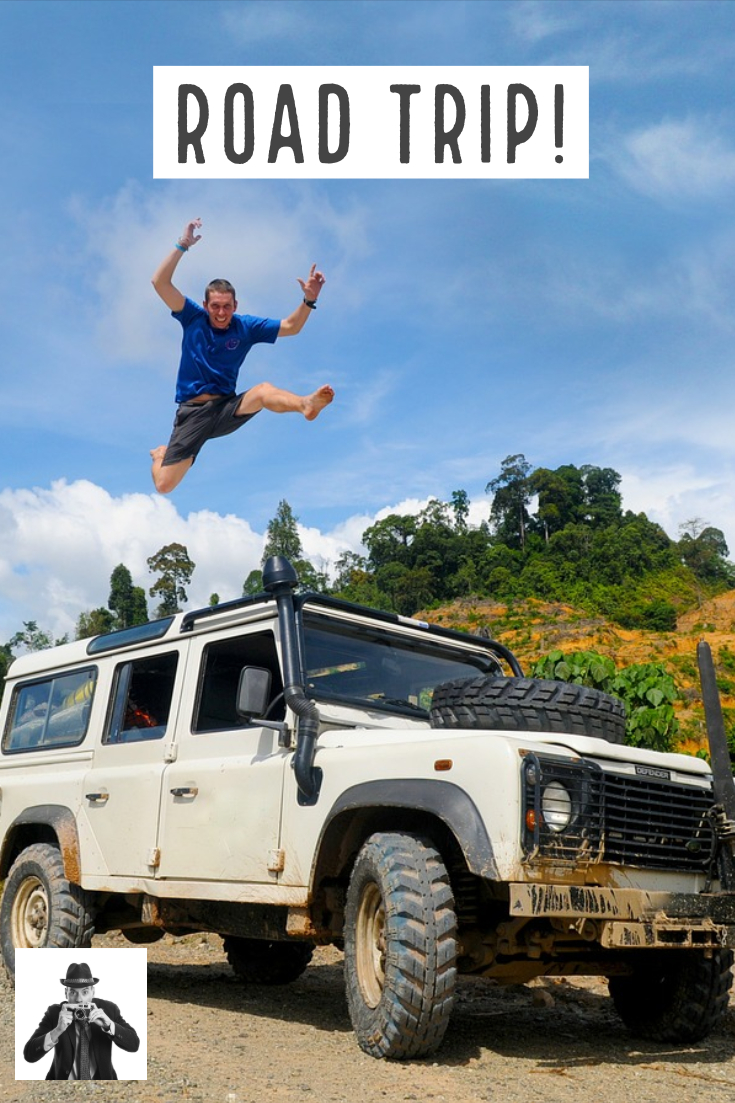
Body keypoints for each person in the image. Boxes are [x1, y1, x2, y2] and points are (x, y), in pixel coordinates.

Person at [149, 217, 334, 493]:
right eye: (215, 306)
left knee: (262, 391)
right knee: (164, 485)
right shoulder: (192, 317)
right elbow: (160, 283)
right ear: (205, 305)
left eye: (226, 306)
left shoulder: (245, 327)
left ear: (235, 305)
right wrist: (182, 245)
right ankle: (160, 456)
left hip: (226, 407)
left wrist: (309, 300)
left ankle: (305, 404)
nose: (221, 313)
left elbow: (291, 327)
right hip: (193, 413)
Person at [23, 961, 140, 1080]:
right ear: (66, 993)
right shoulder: (55, 1013)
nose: (79, 999)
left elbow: (134, 1045)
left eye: (85, 992)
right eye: (73, 992)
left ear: (93, 992)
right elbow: (29, 1055)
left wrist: (109, 1026)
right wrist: (57, 1030)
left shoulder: (108, 1010)